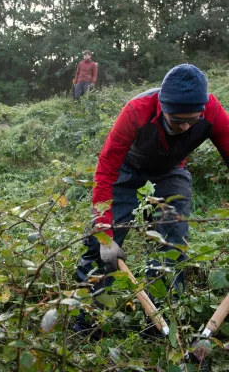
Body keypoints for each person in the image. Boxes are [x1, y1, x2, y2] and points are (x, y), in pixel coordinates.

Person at [74, 64, 229, 334]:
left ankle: (160, 324)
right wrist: (104, 230)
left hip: (172, 170)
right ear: (163, 106)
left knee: (173, 241)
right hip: (127, 168)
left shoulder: (212, 112)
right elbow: (107, 168)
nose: (184, 127)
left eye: (192, 121)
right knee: (101, 246)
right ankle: (89, 320)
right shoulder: (136, 111)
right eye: (177, 119)